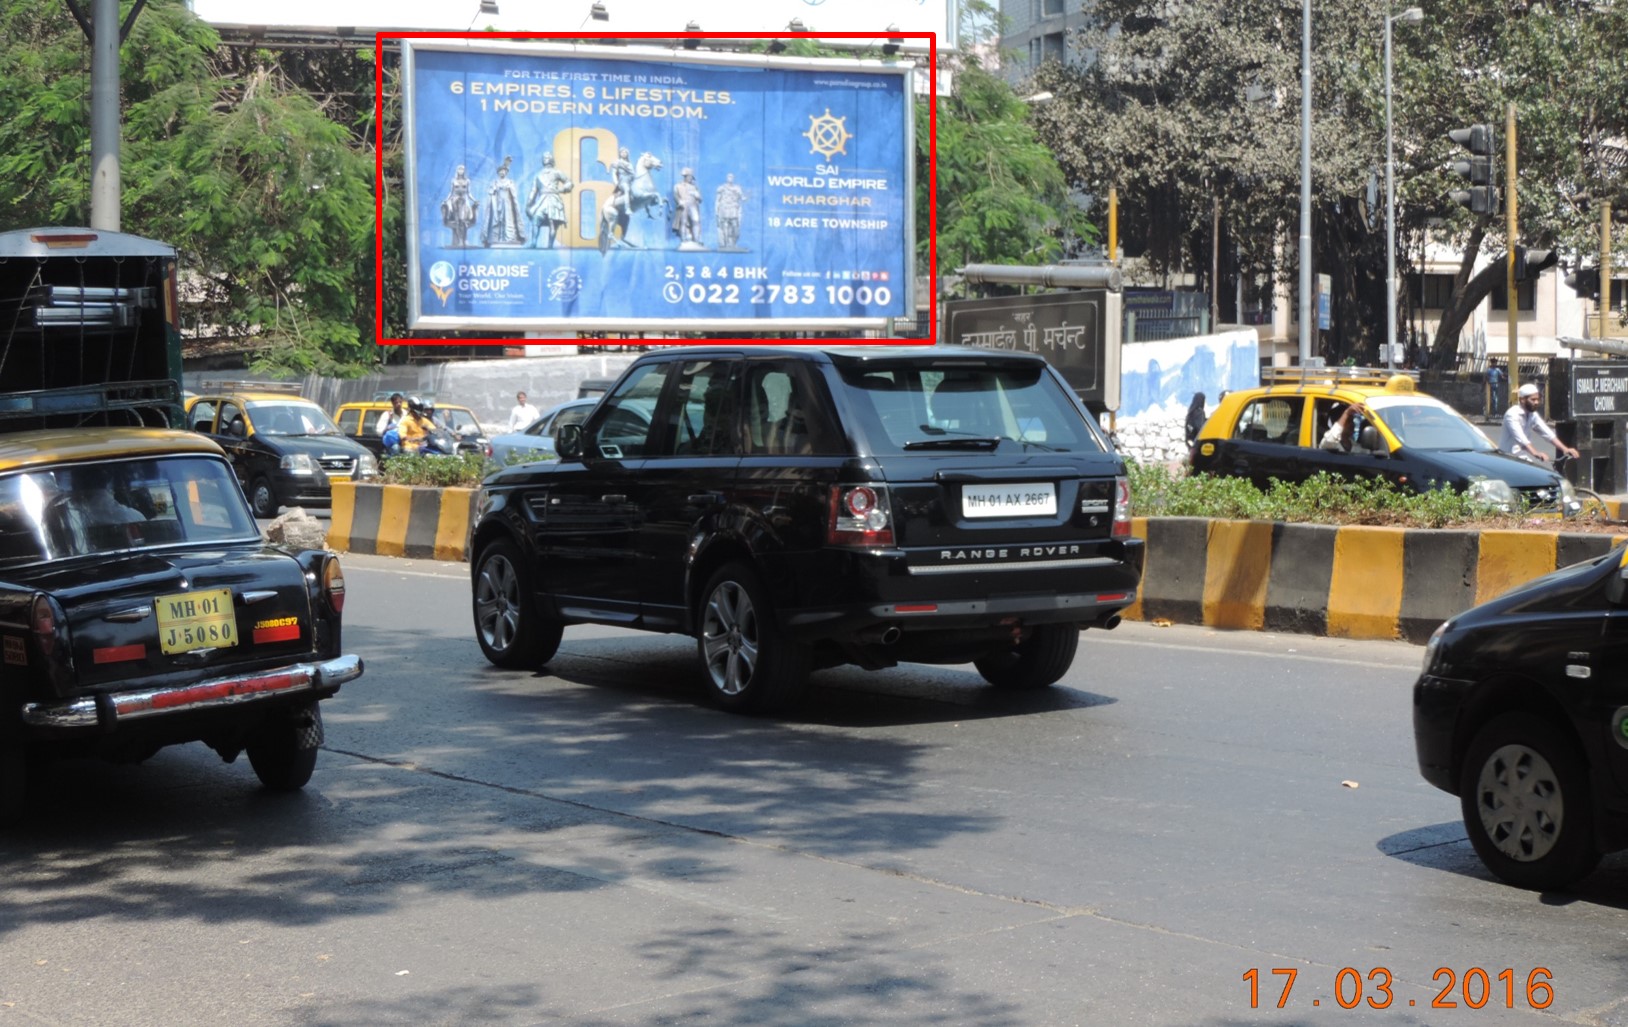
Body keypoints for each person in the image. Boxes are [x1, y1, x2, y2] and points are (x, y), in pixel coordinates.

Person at [1499, 382, 1579, 464]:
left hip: (1521, 456)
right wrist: (1535, 453)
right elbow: (1521, 439)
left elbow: (1547, 433)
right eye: (1533, 400)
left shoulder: (1532, 414)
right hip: (1508, 457)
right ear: (1522, 400)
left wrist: (1565, 449)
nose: (1536, 402)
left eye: (1537, 399)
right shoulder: (1512, 414)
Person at [525, 153, 573, 249]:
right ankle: (534, 242)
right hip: (542, 201)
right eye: (544, 158)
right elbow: (533, 191)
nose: (546, 159)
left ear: (551, 159)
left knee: (553, 223)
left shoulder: (557, 172)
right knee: (536, 219)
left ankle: (550, 245)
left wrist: (562, 190)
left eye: (547, 157)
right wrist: (529, 203)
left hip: (553, 200)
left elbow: (569, 182)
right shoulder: (538, 175)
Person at [481, 157, 526, 247]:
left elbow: (514, 195)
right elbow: (491, 193)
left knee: (508, 220)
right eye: (500, 171)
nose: (502, 172)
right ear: (498, 173)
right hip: (497, 204)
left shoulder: (510, 182)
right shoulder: (495, 182)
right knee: (498, 221)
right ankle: (498, 238)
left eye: (503, 171)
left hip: (508, 205)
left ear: (506, 172)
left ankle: (509, 238)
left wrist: (515, 206)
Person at [440, 165, 478, 248]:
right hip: (455, 201)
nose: (461, 171)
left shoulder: (467, 181)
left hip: (464, 200)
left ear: (464, 171)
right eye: (459, 169)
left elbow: (469, 193)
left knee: (464, 220)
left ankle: (464, 240)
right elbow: (451, 192)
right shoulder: (453, 180)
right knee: (458, 220)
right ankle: (459, 241)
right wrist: (446, 200)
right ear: (457, 171)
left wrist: (474, 200)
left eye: (462, 169)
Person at [671, 167, 703, 247]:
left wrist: (697, 195)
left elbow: (700, 199)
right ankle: (684, 239)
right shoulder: (678, 186)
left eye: (691, 177)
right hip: (683, 205)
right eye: (689, 176)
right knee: (683, 222)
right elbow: (675, 196)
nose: (690, 178)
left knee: (696, 221)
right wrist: (679, 201)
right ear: (685, 176)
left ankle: (696, 240)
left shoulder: (694, 187)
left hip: (693, 206)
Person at [715, 173, 745, 249]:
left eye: (731, 177)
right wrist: (717, 210)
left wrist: (744, 198)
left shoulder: (737, 188)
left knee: (735, 225)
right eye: (729, 177)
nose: (730, 178)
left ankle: (733, 243)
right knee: (725, 225)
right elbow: (718, 200)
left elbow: (742, 197)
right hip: (724, 208)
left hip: (733, 208)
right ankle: (726, 243)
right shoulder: (722, 188)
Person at [1183, 392, 1207, 457]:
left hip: (1190, 442)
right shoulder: (1199, 412)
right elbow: (1201, 428)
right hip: (1198, 443)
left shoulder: (1190, 412)